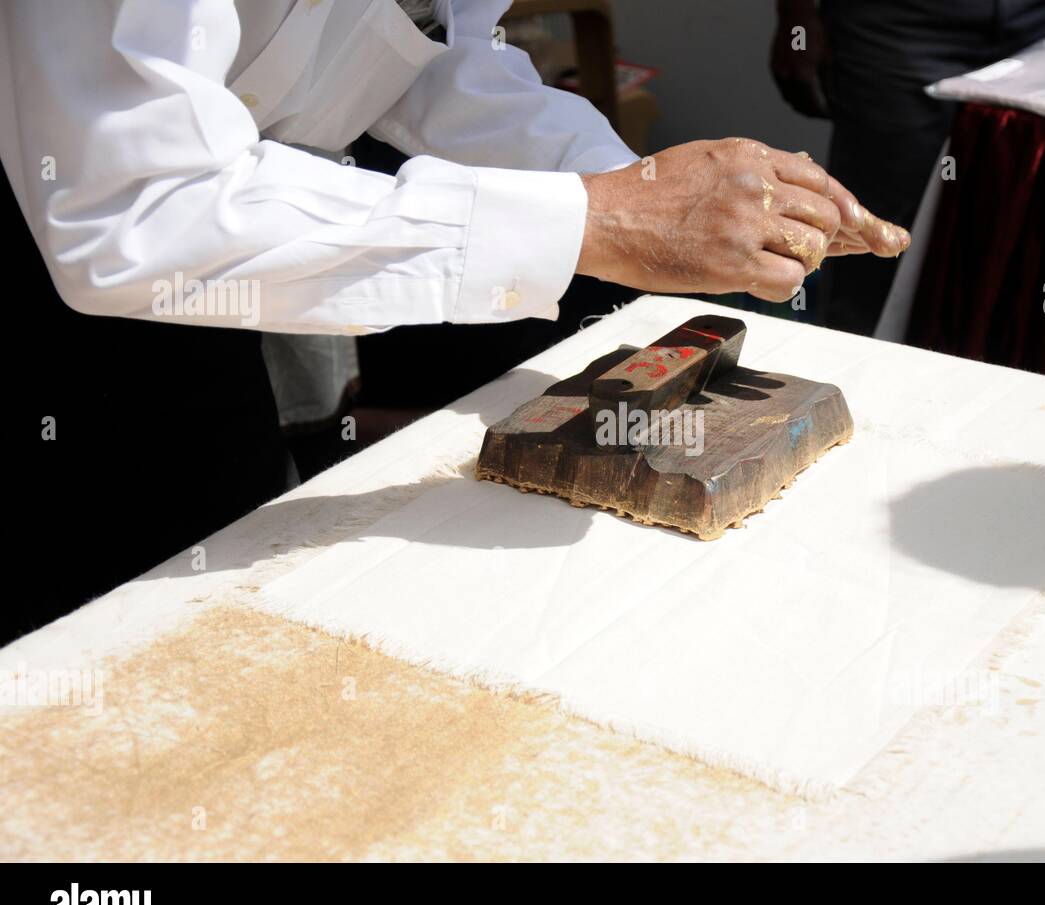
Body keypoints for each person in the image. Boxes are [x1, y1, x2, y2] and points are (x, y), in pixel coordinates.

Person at [2, 0, 908, 641]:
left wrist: (636, 188)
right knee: (73, 653)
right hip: (49, 235)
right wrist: (596, 221)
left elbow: (435, 56)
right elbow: (126, 205)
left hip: (197, 269)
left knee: (206, 578)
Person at [771, 0, 1045, 333]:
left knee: (1026, 236)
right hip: (902, 25)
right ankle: (855, 375)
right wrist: (797, 14)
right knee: (874, 243)